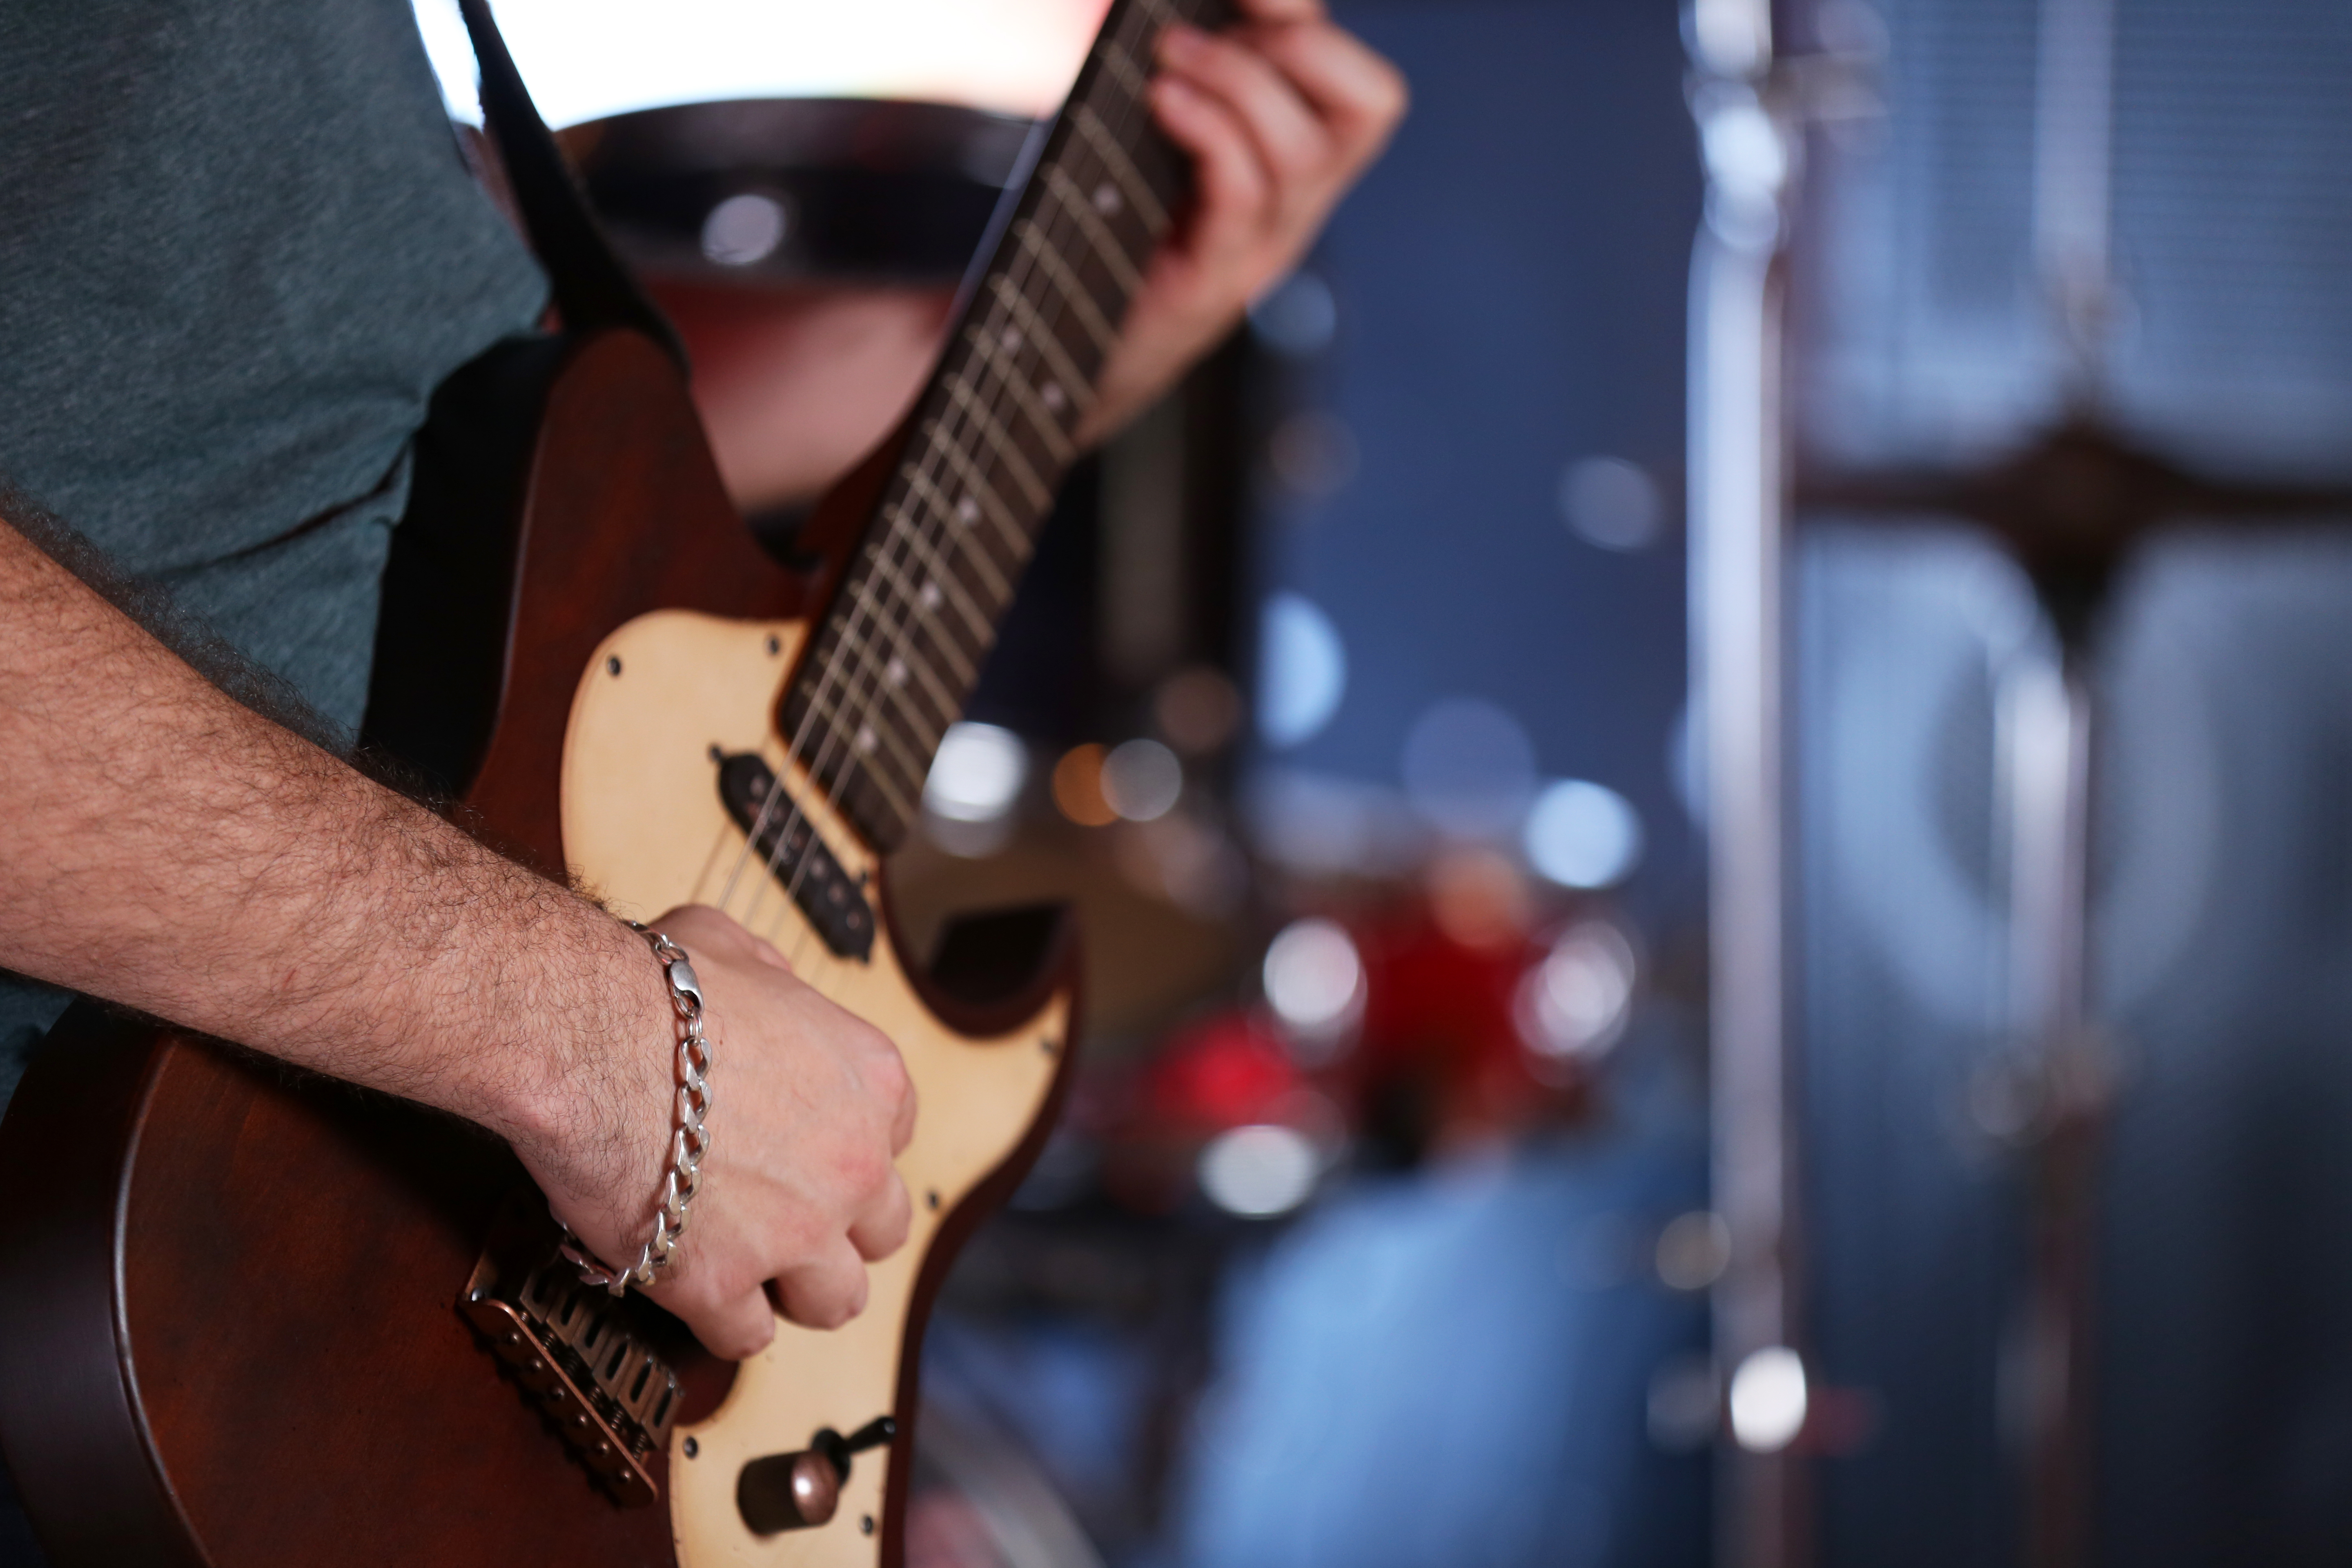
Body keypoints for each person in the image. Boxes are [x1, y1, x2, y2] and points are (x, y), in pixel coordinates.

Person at [0, 0, 1401, 1385]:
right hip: (119, 1263)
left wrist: (1077, 334)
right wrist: (604, 1046)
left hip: (367, 1242)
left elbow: (472, 428)